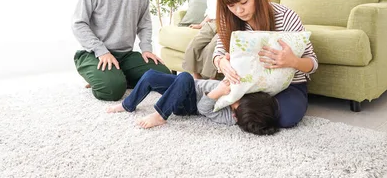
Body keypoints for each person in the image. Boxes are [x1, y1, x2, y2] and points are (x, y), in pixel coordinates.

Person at [212, 0, 319, 129]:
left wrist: (293, 61)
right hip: (249, 86)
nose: (239, 11)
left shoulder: (285, 16)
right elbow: (218, 53)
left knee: (286, 118)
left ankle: (239, 106)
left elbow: (313, 63)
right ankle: (241, 105)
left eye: (244, 2)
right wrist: (221, 63)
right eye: (231, 5)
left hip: (288, 86)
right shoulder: (229, 21)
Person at [72, 0, 171, 101]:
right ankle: (102, 76)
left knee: (164, 75)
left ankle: (113, 75)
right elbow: (79, 23)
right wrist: (101, 51)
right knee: (112, 90)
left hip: (125, 56)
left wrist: (146, 49)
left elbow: (144, 23)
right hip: (94, 54)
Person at [106, 69, 279, 135]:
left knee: (184, 77)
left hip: (187, 104)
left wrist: (217, 93)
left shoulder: (230, 117)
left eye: (235, 108)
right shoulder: (242, 93)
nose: (233, 103)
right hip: (184, 87)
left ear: (236, 117)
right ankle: (127, 104)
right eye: (239, 101)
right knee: (150, 75)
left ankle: (160, 114)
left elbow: (203, 109)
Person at [182, 0, 232, 79]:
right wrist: (201, 24)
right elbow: (211, 13)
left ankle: (211, 80)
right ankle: (196, 78)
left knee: (212, 48)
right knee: (194, 45)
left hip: (225, 25)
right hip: (211, 23)